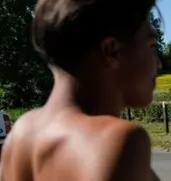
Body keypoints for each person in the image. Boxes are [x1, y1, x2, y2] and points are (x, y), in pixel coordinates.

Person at [0, 0, 162, 180]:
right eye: (152, 47)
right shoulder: (118, 141)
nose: (158, 64)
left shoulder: (21, 133)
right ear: (111, 51)